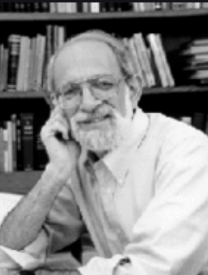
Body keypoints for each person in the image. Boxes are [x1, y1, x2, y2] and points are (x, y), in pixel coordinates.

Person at [1, 30, 208, 275]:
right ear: (56, 105)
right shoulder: (79, 159)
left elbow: (153, 269)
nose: (88, 103)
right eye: (71, 91)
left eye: (103, 84)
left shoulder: (187, 153)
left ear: (132, 89)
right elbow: (12, 248)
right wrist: (54, 173)